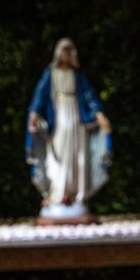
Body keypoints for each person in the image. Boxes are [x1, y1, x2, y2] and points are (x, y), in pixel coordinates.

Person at [26, 37, 111, 219]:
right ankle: (56, 194)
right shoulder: (51, 72)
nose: (66, 55)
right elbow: (40, 96)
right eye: (64, 51)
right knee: (57, 158)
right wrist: (34, 114)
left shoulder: (78, 75)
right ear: (58, 53)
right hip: (58, 119)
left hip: (77, 120)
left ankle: (75, 195)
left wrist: (99, 115)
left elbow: (89, 96)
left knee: (77, 157)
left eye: (69, 51)